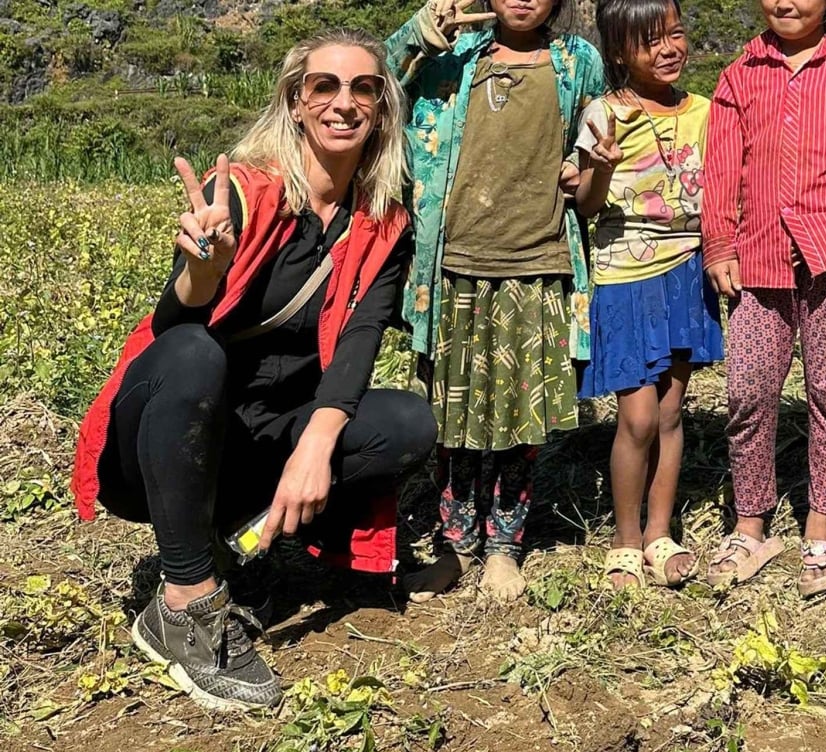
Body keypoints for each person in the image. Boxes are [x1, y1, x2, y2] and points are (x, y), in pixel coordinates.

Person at [71, 29, 432, 711]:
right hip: (161, 440)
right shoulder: (241, 191)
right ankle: (183, 602)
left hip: (260, 440)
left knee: (407, 423)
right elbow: (173, 329)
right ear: (296, 101)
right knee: (195, 351)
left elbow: (358, 345)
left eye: (364, 88)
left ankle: (239, 540)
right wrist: (204, 270)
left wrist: (315, 449)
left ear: (382, 108)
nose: (344, 103)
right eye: (324, 86)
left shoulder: (382, 223)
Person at [386, 0, 605, 602]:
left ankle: (505, 547)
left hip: (539, 265)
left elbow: (596, 142)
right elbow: (374, 87)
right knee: (451, 423)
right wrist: (418, 33)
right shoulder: (451, 54)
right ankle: (456, 547)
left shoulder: (576, 61)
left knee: (520, 423)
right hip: (452, 267)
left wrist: (582, 166)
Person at [701, 0, 826, 599]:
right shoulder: (740, 75)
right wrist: (719, 245)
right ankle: (751, 524)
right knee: (747, 390)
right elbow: (721, 169)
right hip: (759, 260)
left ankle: (822, 527)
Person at [570, 0, 723, 589]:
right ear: (618, 52)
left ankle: (661, 534)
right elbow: (586, 205)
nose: (667, 49)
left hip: (686, 272)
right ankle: (625, 540)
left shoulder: (705, 112)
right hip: (625, 278)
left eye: (674, 34)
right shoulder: (604, 114)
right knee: (636, 417)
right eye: (648, 40)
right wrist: (601, 168)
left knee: (670, 411)